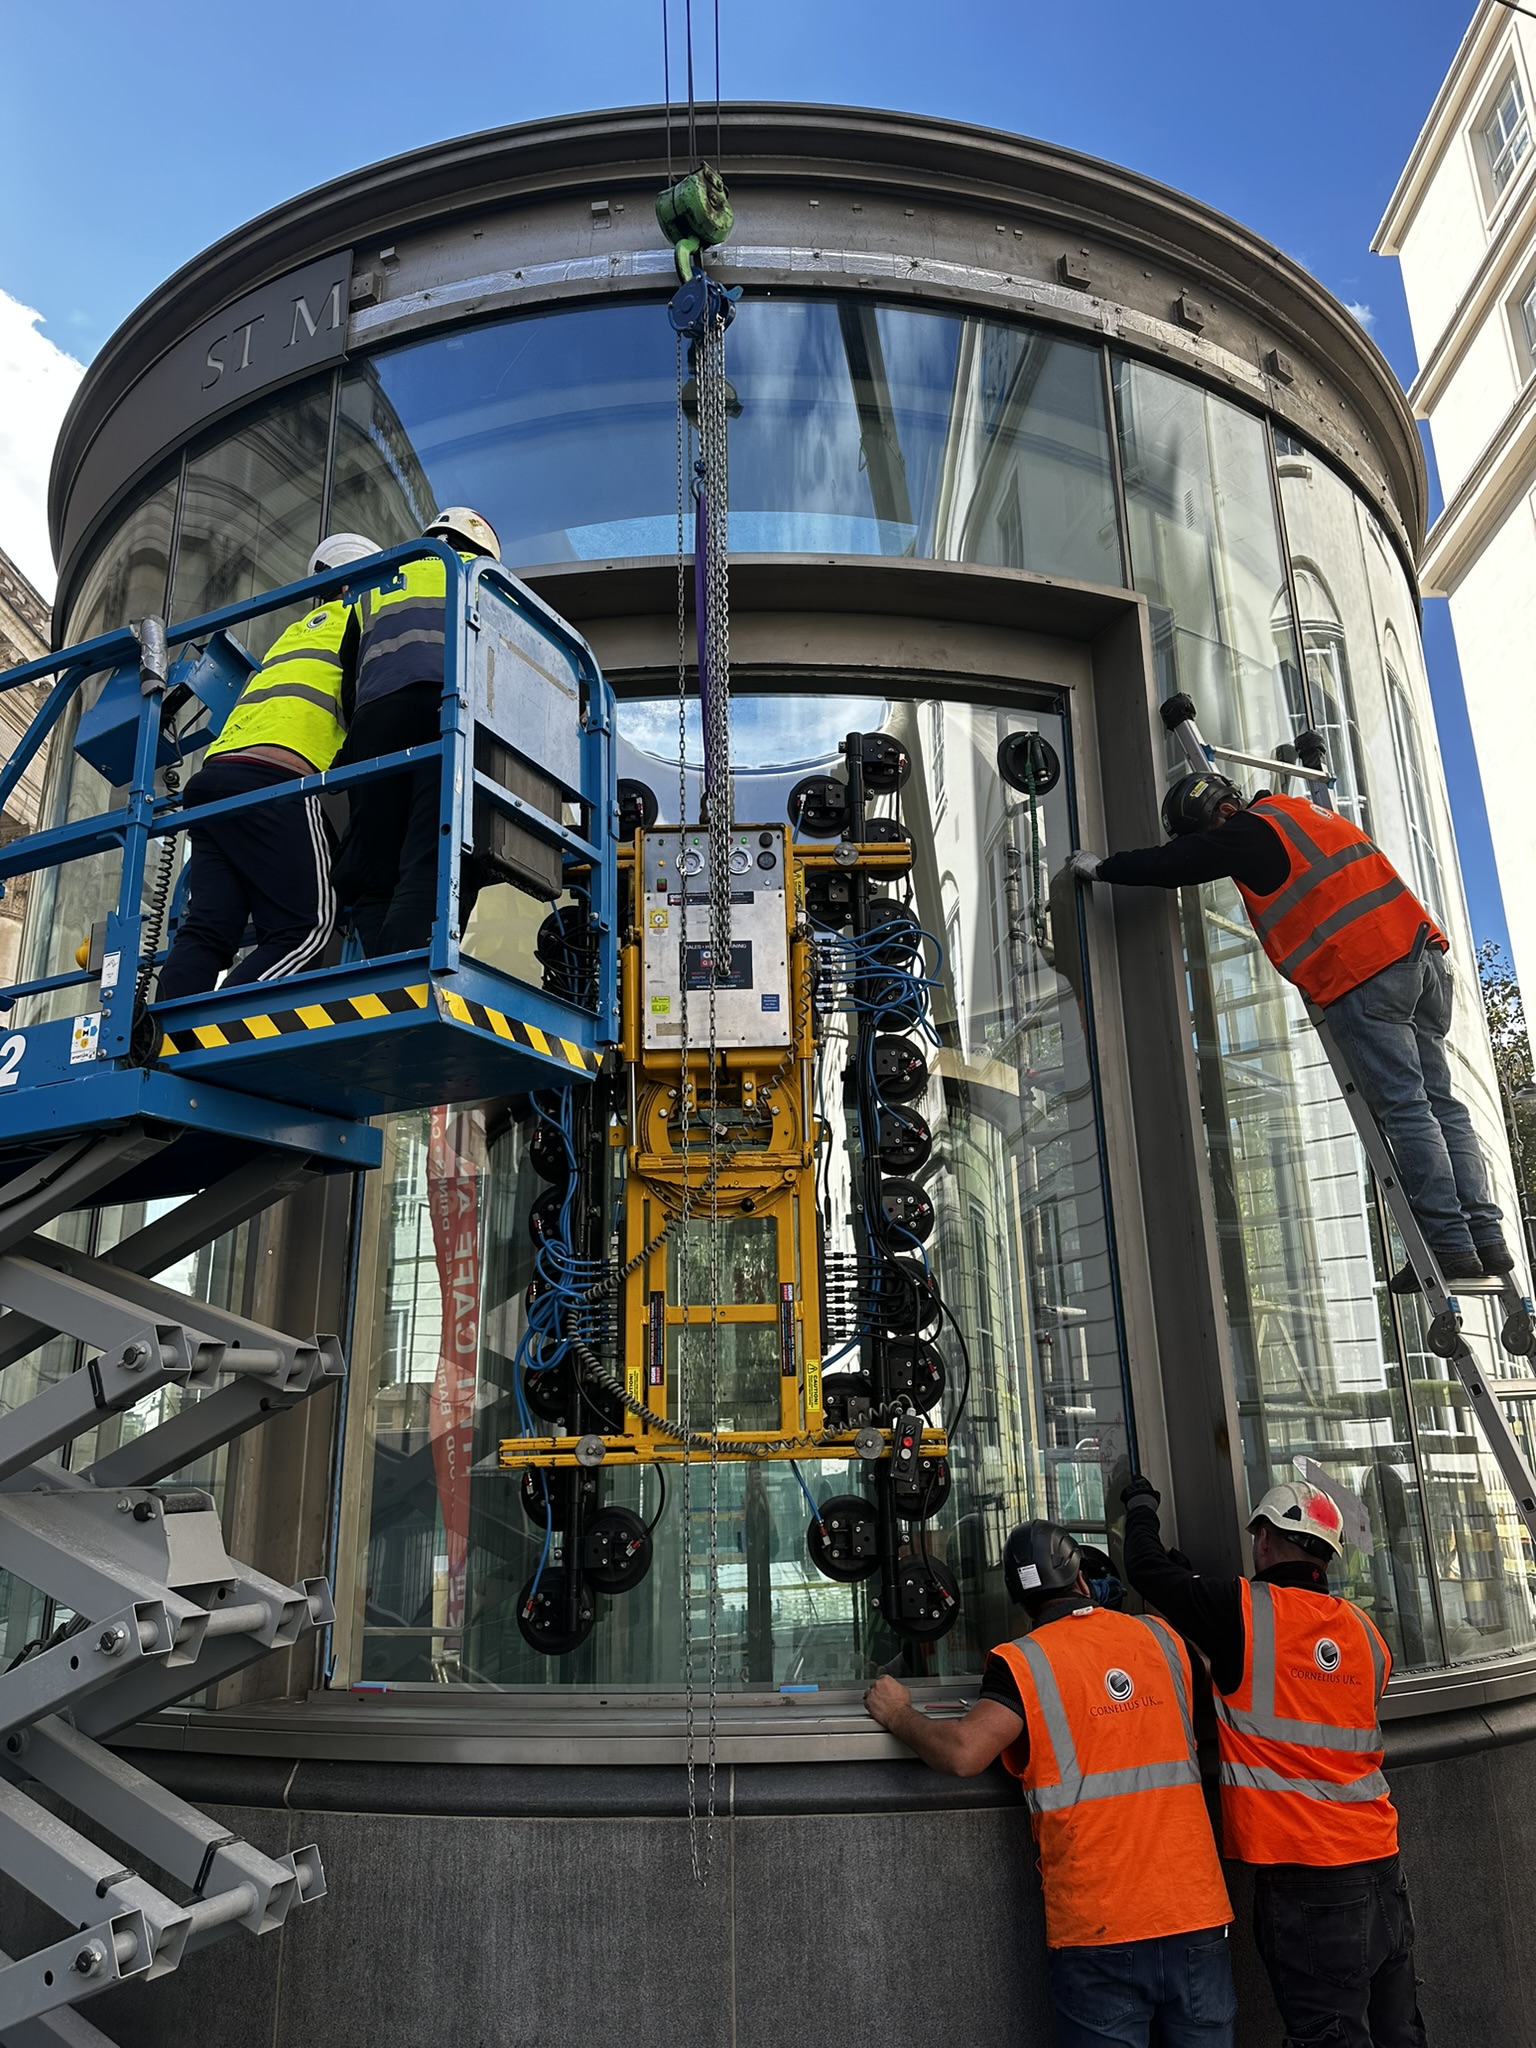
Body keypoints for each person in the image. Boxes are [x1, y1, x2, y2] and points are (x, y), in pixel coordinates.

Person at [1069, 775, 1511, 1292]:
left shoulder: (1246, 831)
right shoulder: (1304, 813)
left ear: (1215, 817)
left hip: (1367, 972)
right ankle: (1486, 1236)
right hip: (1423, 959)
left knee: (1406, 1109)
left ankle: (1448, 1244)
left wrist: (1101, 868)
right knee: (1442, 1105)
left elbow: (1172, 865)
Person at [865, 1520, 1236, 2047]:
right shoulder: (1163, 1639)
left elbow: (965, 1752)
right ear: (1082, 1578)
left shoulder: (1023, 1662)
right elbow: (1209, 1724)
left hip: (1100, 1928)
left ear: (1019, 1599)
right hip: (1195, 1913)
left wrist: (899, 1713)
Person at [1121, 1474, 1427, 2048]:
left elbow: (1143, 1567)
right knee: (1398, 2035)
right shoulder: (1366, 1633)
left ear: (1264, 1539)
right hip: (1382, 1868)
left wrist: (1141, 1504)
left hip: (1309, 1881)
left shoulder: (1241, 1612)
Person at [155, 531, 381, 1002]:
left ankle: (162, 1035)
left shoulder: (295, 633)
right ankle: (213, 1027)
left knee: (208, 930)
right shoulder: (367, 620)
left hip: (216, 779)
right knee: (310, 926)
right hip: (277, 781)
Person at [330, 506, 500, 956]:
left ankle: (382, 970)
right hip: (451, 714)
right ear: (485, 551)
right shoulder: (487, 582)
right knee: (434, 855)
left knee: (375, 867)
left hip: (377, 719)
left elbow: (351, 679)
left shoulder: (377, 582)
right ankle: (404, 979)